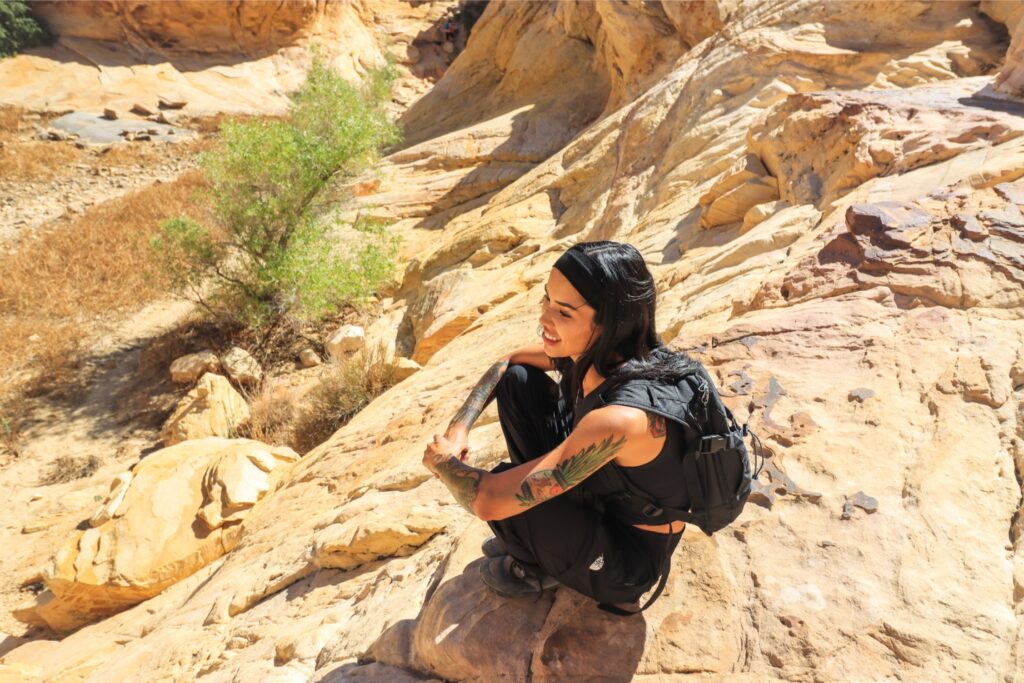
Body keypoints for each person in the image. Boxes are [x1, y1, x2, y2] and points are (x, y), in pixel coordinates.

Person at [422, 240, 711, 613]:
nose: (544, 319)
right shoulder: (612, 353)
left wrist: (444, 464)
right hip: (609, 499)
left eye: (564, 312)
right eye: (545, 300)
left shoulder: (621, 419)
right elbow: (507, 363)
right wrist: (459, 427)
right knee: (520, 380)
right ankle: (546, 539)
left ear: (609, 320)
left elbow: (488, 501)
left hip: (625, 563)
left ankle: (540, 567)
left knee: (512, 494)